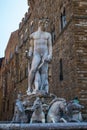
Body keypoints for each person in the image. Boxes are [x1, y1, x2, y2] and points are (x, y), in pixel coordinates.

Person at [26, 19, 52, 95]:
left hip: (45, 52)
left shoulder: (48, 34)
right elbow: (31, 46)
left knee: (44, 71)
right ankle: (29, 87)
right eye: (45, 25)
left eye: (47, 25)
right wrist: (30, 54)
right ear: (41, 24)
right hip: (36, 53)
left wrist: (50, 55)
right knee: (33, 69)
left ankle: (41, 89)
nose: (46, 26)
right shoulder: (33, 35)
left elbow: (50, 45)